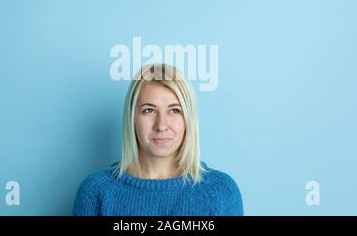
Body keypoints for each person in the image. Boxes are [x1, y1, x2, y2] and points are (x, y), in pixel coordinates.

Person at [72, 63, 243, 215]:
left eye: (174, 110)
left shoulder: (222, 192)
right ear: (132, 118)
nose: (161, 125)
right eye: (149, 110)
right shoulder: (95, 192)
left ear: (188, 120)